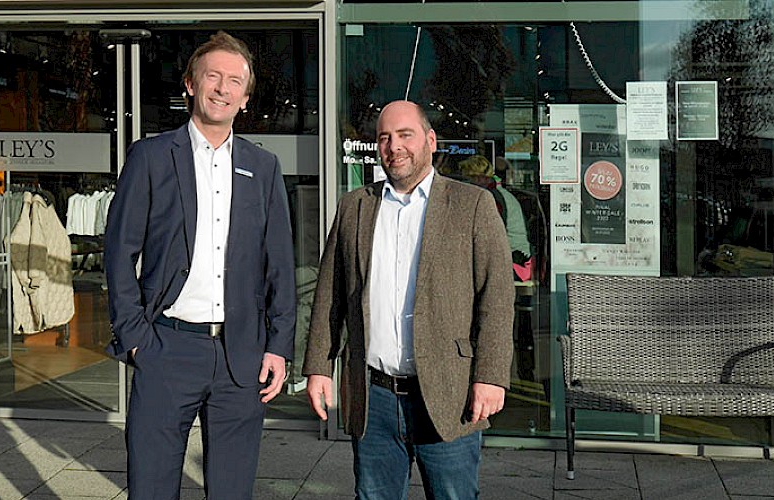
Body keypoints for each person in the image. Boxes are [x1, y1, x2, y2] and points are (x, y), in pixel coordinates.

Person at [104, 31, 296, 500]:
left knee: (232, 491)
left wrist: (278, 346)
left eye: (234, 81)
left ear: (245, 99)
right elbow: (118, 251)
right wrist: (136, 341)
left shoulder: (263, 166)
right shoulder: (150, 156)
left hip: (240, 356)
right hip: (166, 347)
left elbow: (281, 266)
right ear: (191, 83)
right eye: (213, 76)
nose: (222, 88)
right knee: (150, 488)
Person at [303, 100, 515, 500]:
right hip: (374, 398)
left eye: (405, 135)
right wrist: (317, 367)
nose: (393, 146)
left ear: (430, 141)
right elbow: (330, 292)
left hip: (448, 394)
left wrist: (490, 376)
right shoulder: (355, 207)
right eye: (384, 137)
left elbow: (497, 297)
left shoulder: (472, 205)